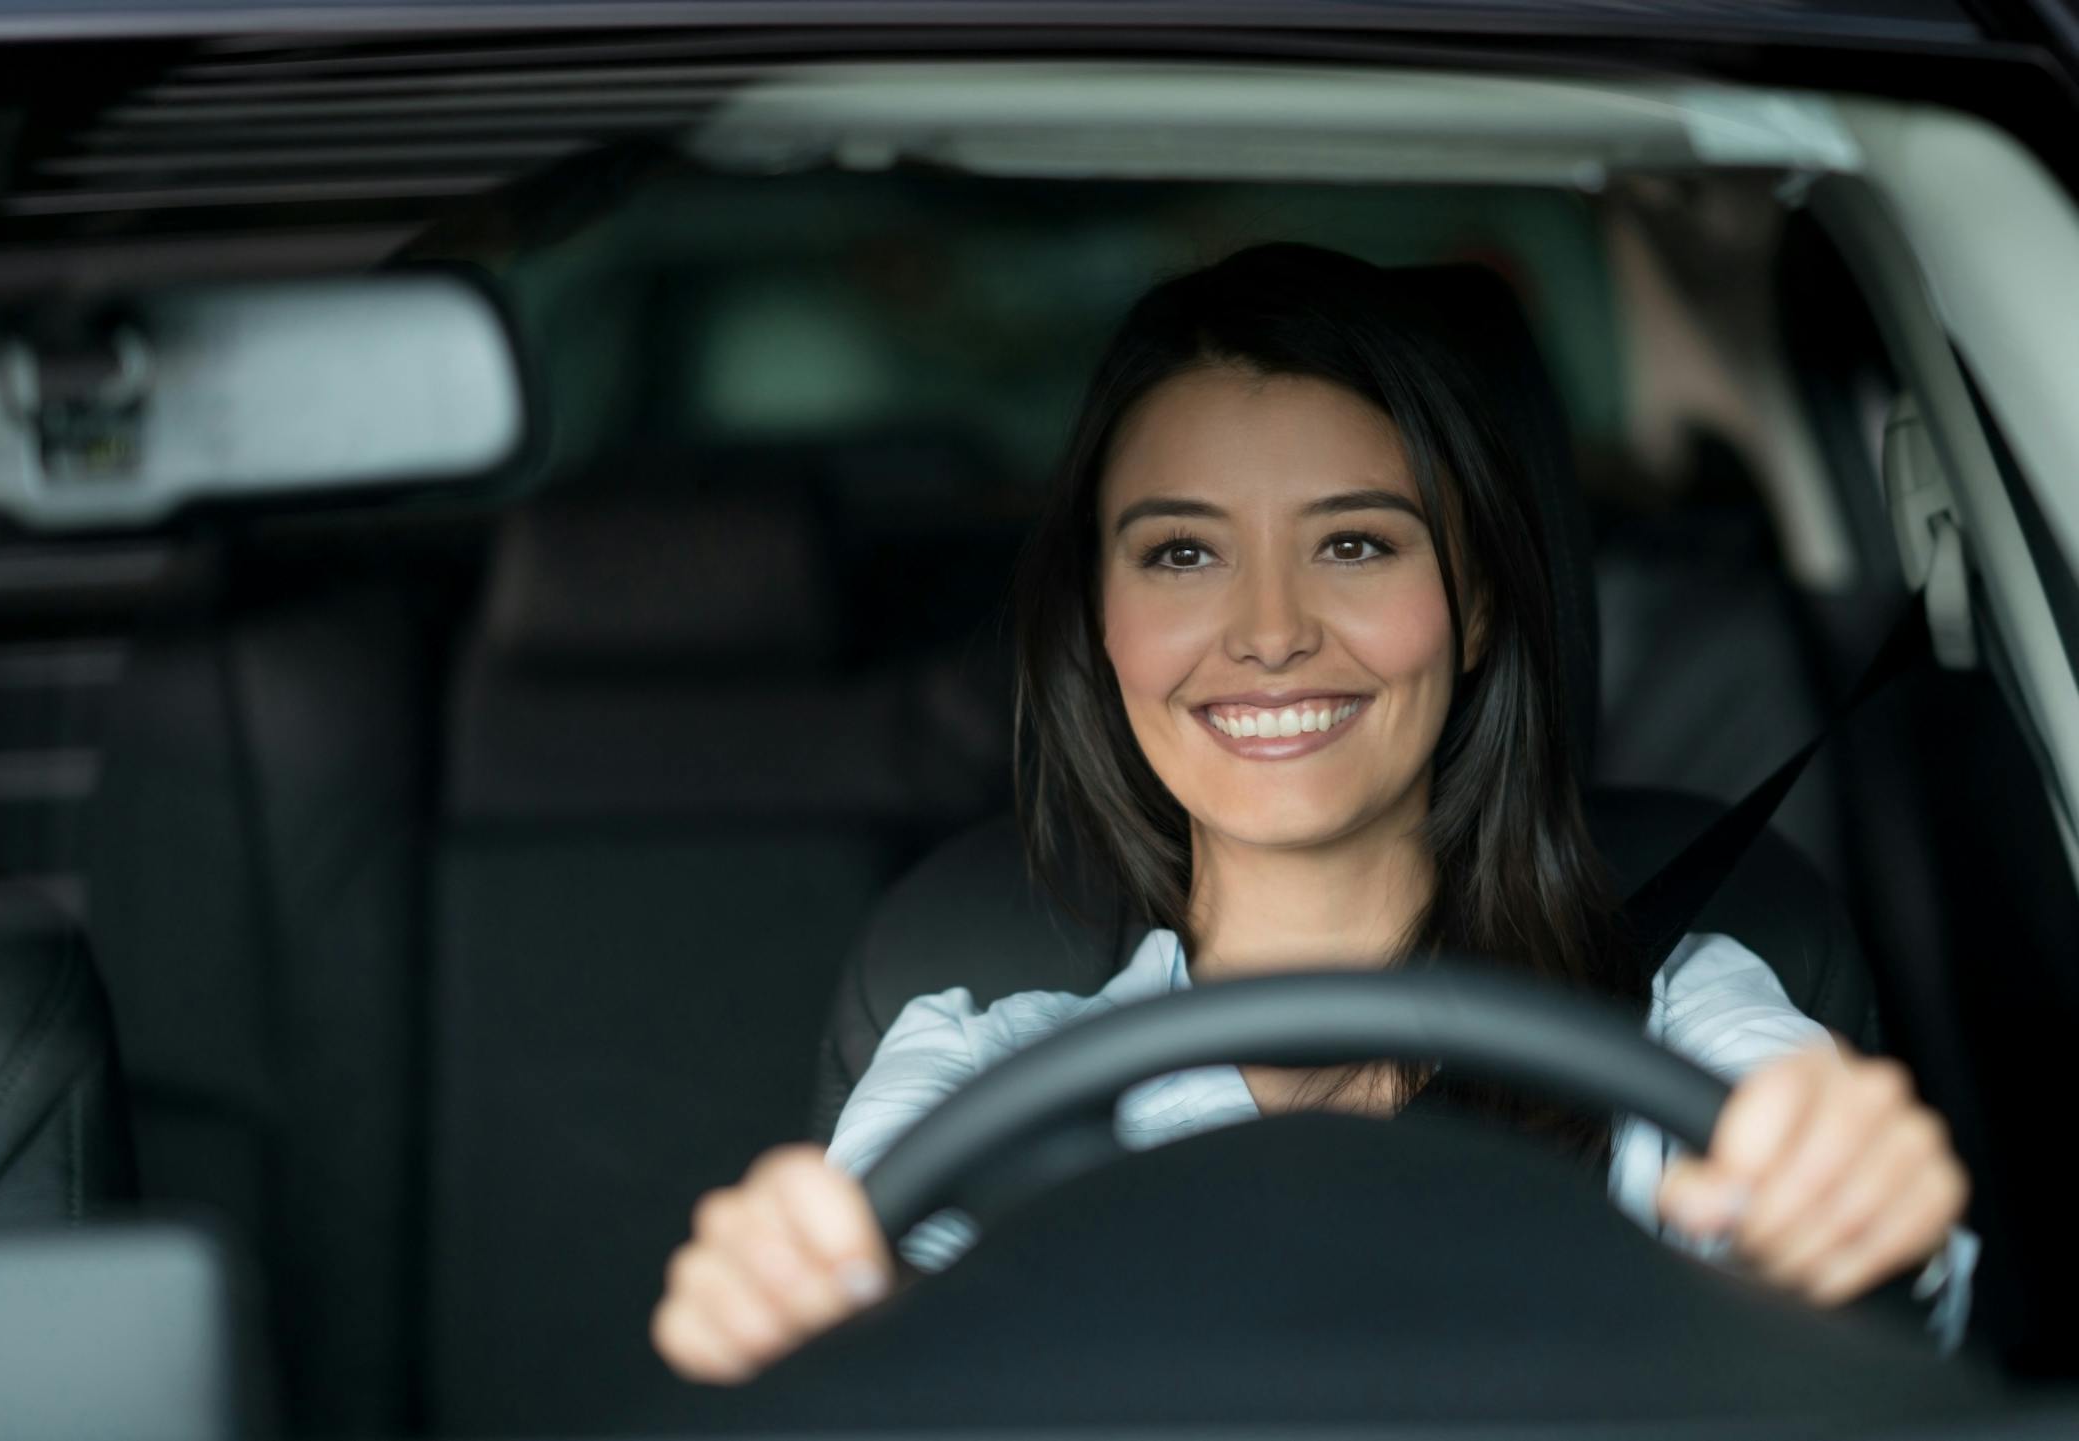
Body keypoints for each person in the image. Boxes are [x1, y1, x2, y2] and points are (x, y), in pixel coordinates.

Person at [649, 243, 1977, 1386]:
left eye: (1355, 543)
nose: (1271, 633)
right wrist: (803, 1313)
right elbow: (867, 1340)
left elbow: (1823, 1227)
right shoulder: (977, 1065)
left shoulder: (1682, 1013)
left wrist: (1846, 1214)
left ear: (1470, 605)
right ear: (1097, 625)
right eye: (1183, 552)